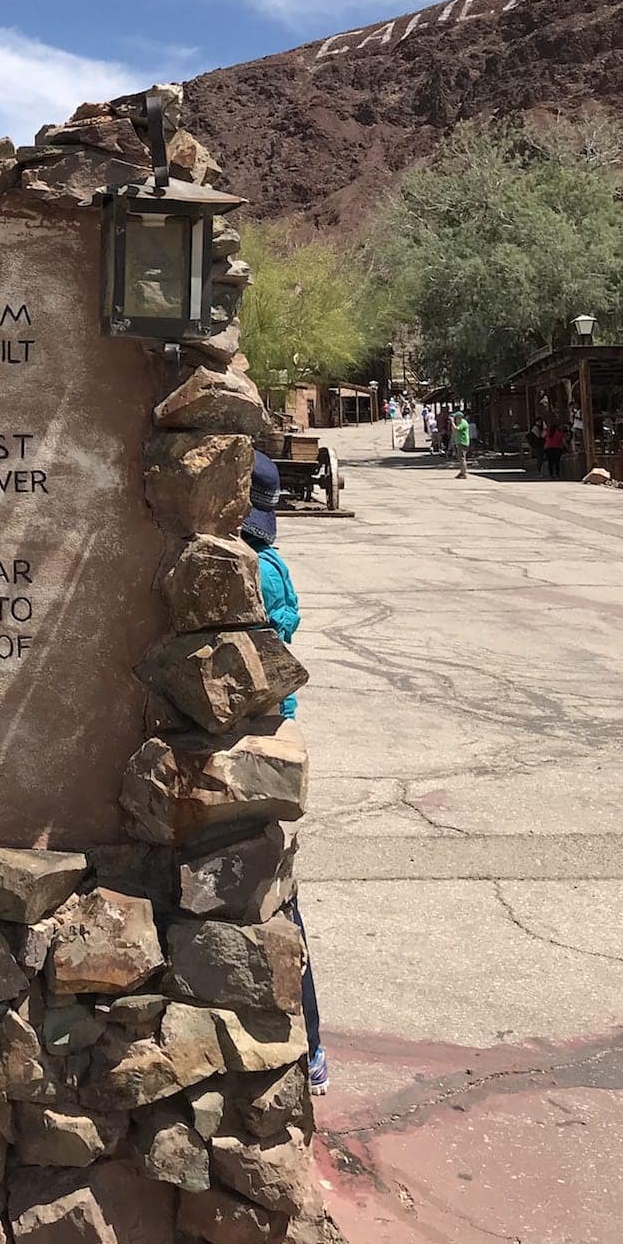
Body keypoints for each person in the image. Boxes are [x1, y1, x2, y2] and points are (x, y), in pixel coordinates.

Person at [242, 452, 328, 1094]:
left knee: (269, 892)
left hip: (259, 728)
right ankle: (312, 1042)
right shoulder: (270, 560)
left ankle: (310, 1042)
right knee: (274, 892)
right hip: (273, 724)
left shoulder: (252, 566)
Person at [451, 408, 471, 477]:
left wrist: (452, 422)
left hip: (463, 443)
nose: (455, 419)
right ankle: (462, 472)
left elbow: (456, 429)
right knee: (460, 458)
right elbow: (454, 431)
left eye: (455, 418)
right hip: (459, 442)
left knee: (462, 458)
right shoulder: (459, 423)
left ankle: (464, 473)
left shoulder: (463, 423)